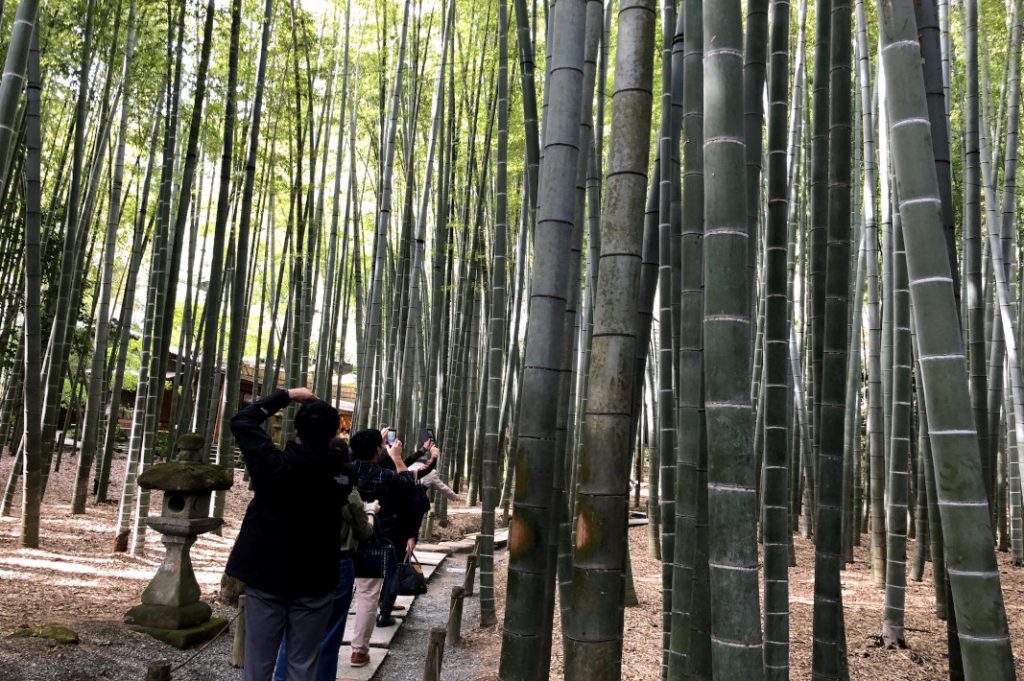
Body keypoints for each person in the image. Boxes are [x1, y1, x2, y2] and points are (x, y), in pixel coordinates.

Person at [226, 387, 348, 681]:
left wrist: (288, 395)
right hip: (316, 579)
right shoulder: (342, 475)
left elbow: (242, 421)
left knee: (257, 664)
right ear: (334, 433)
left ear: (297, 429)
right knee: (303, 665)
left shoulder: (273, 464)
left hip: (266, 576)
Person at [274, 438, 375, 681]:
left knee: (294, 628)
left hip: (298, 560)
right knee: (329, 632)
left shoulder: (296, 481)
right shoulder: (346, 490)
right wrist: (371, 514)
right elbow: (364, 532)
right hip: (337, 562)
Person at [349, 428, 416, 667]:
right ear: (379, 450)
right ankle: (358, 651)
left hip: (341, 540)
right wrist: (397, 458)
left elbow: (352, 452)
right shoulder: (386, 476)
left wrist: (371, 439)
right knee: (367, 596)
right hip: (373, 541)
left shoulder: (344, 470)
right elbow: (409, 487)